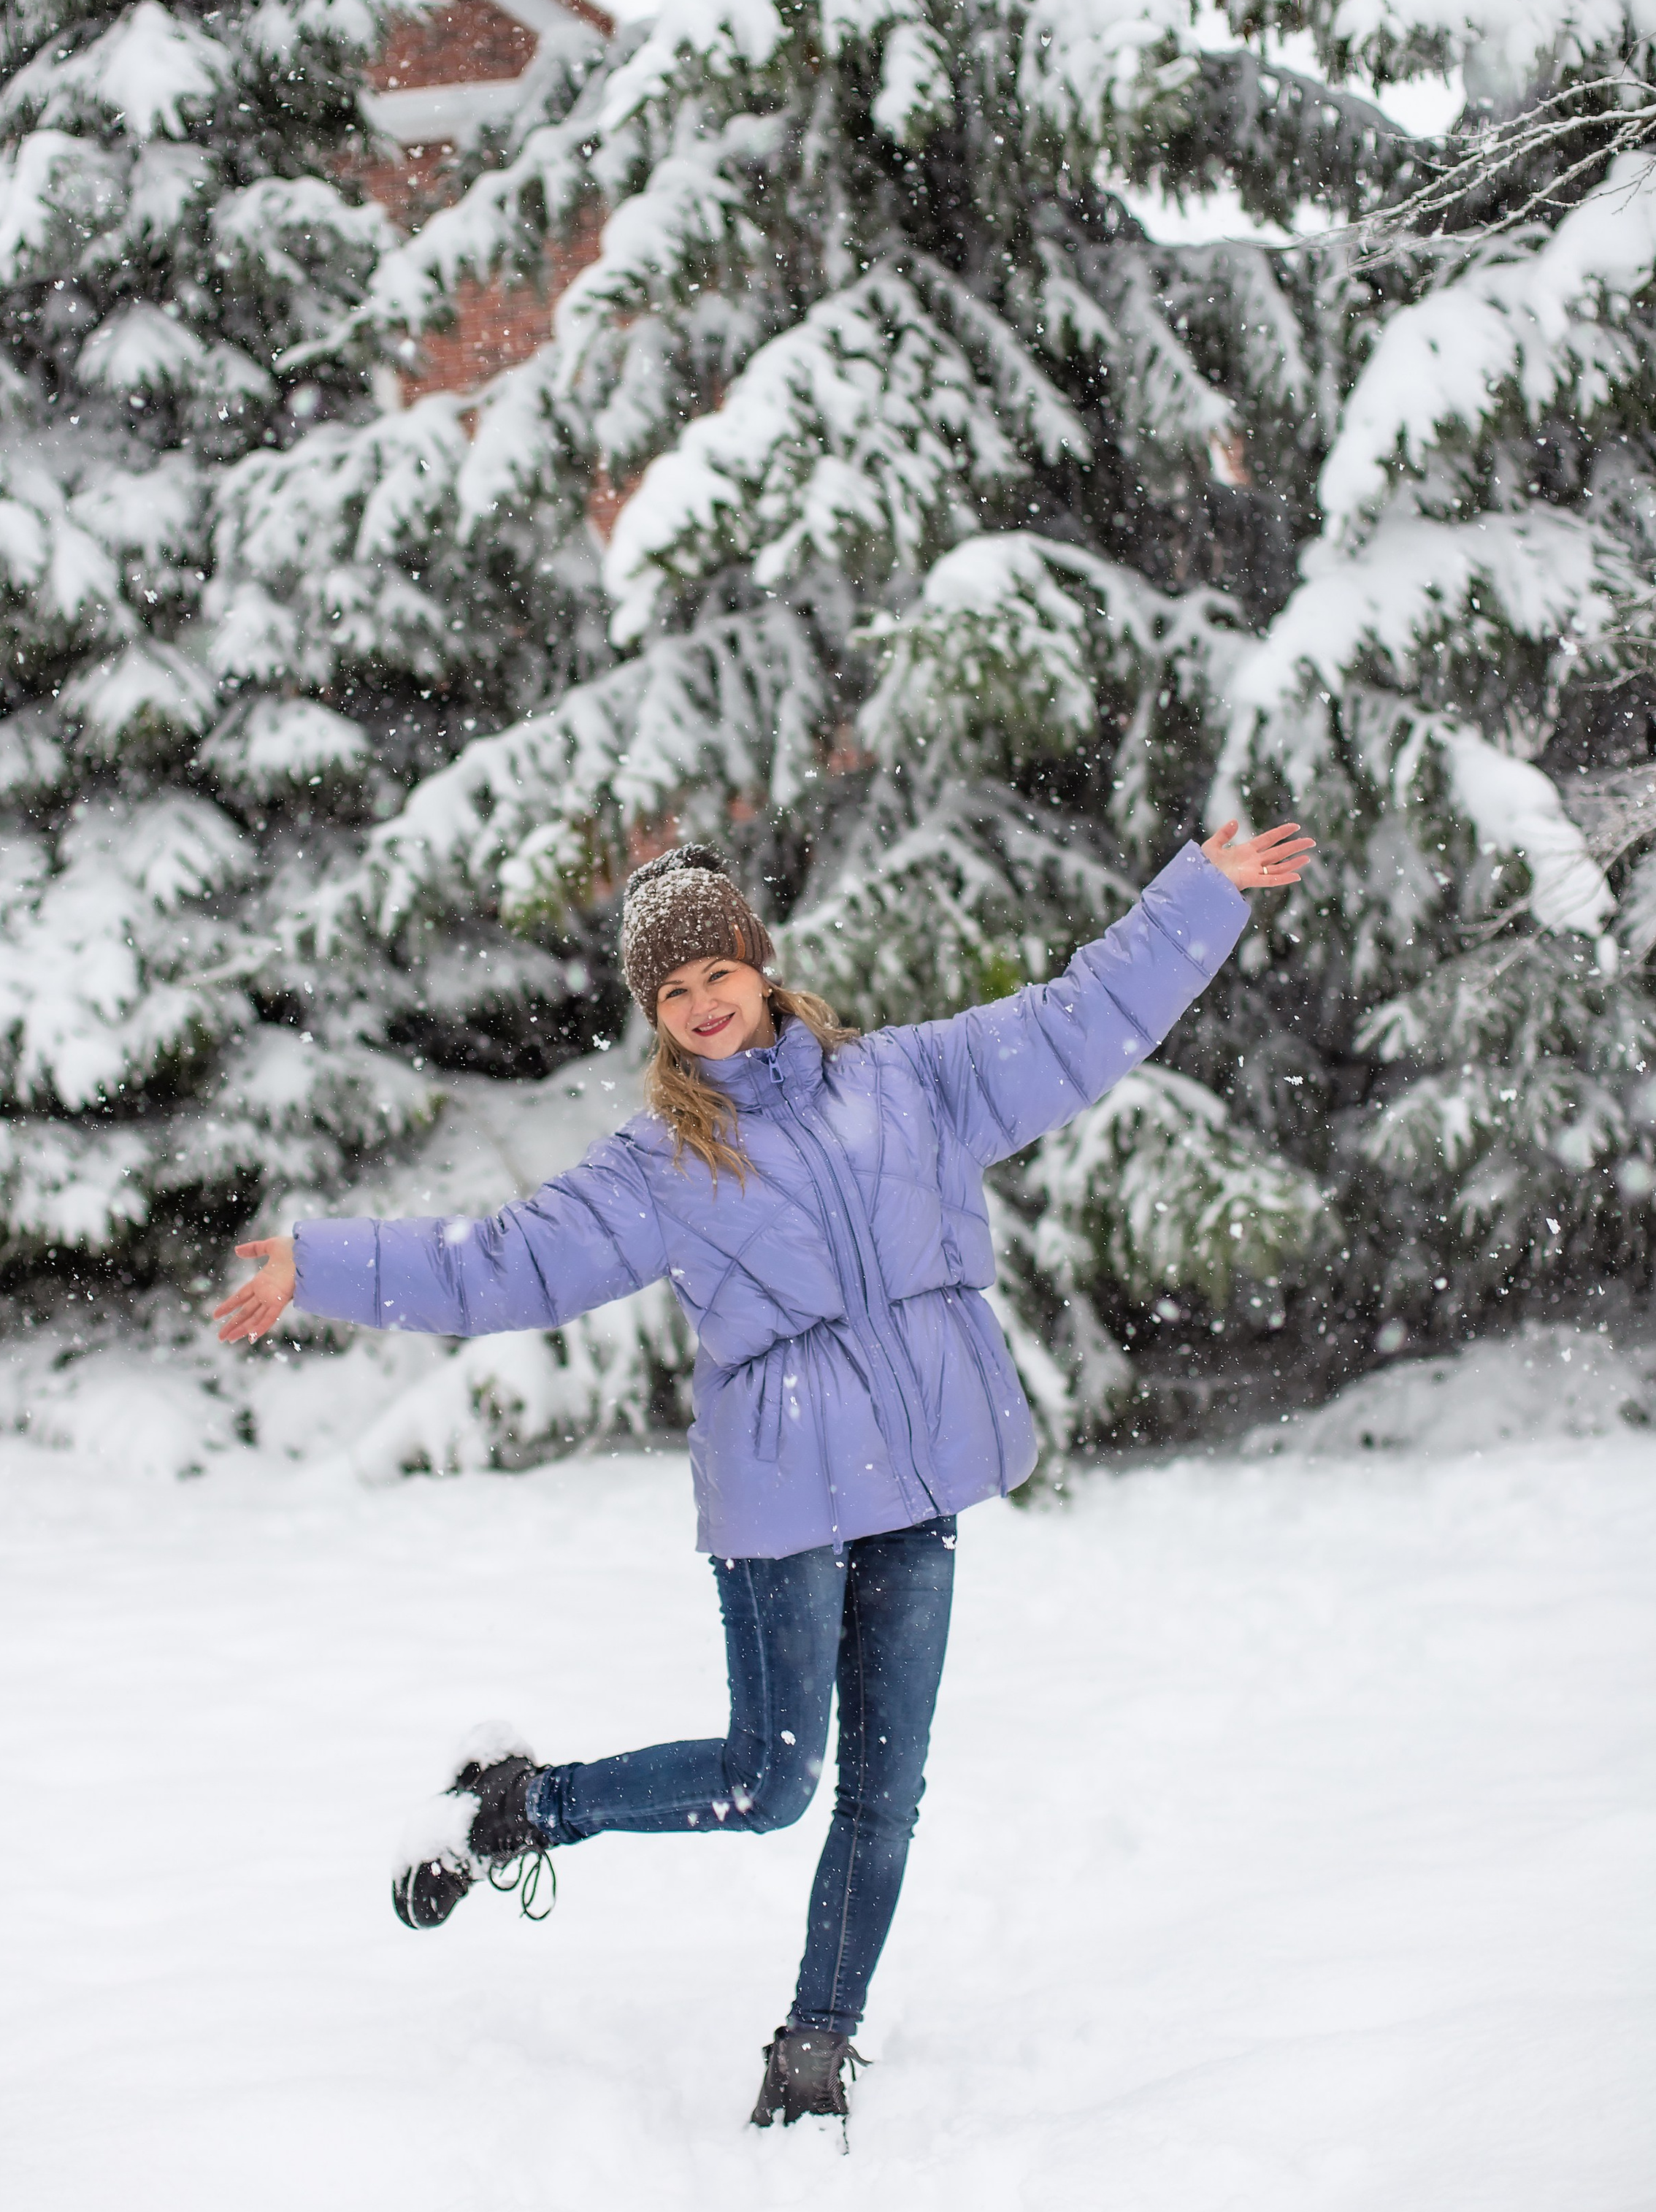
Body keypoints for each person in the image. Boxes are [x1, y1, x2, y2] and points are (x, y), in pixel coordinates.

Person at [215, 819, 1314, 2135]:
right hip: (784, 1493)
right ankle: (527, 1807)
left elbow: (1080, 1020)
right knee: (766, 1783)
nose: (701, 1006)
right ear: (656, 1014)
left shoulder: (914, 1081)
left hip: (916, 1485)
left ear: (760, 962)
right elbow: (496, 1263)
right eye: (673, 994)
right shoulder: (660, 1167)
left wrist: (1198, 897)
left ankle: (816, 2040)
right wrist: (322, 1266)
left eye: (715, 975)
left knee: (884, 1795)